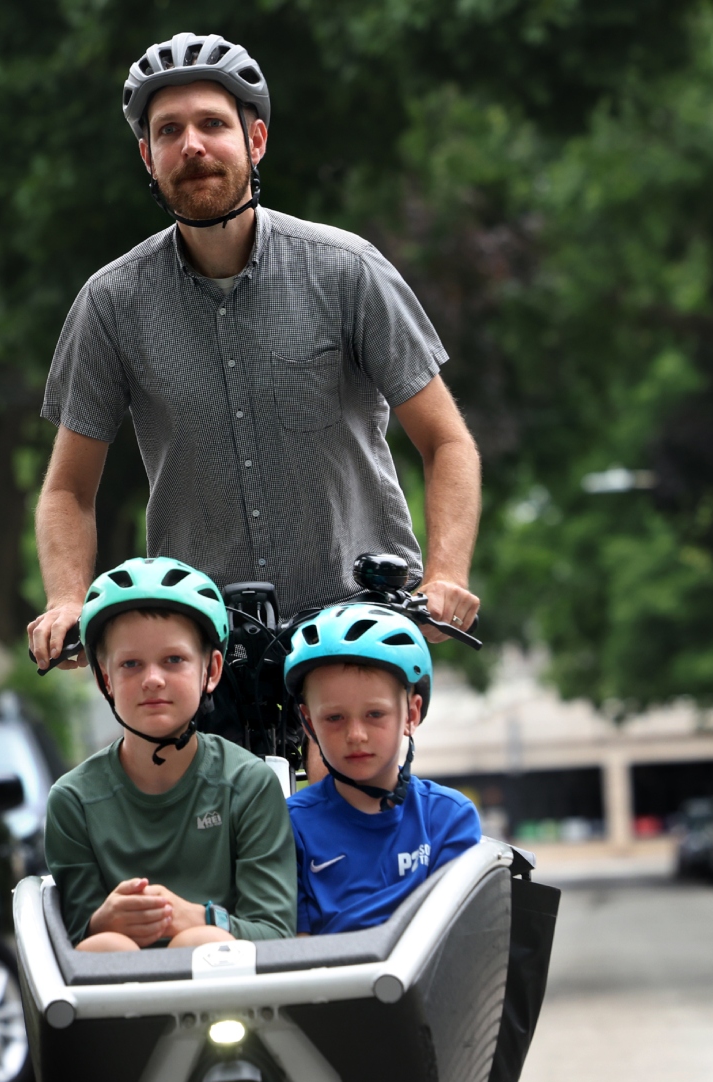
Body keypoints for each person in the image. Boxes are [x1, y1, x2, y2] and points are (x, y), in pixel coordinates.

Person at [26, 30, 484, 677]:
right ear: (148, 157)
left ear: (256, 140)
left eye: (213, 123)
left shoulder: (348, 271)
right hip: (205, 646)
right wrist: (67, 600)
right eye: (168, 130)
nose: (191, 144)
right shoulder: (111, 304)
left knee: (352, 745)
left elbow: (446, 441)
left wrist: (445, 576)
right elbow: (68, 489)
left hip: (355, 627)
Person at [43, 557, 297, 952]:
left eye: (174, 660)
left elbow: (276, 933)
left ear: (212, 670)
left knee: (201, 942)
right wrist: (100, 922)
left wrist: (199, 919)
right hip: (118, 983)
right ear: (105, 679)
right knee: (106, 947)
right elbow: (69, 943)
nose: (153, 679)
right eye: (131, 664)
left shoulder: (249, 783)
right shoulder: (72, 801)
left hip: (234, 984)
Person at [282, 606, 481, 935]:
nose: (356, 735)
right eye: (334, 718)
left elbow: (458, 940)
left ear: (411, 714)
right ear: (308, 722)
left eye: (375, 714)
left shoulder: (448, 819)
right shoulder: (289, 826)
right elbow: (294, 950)